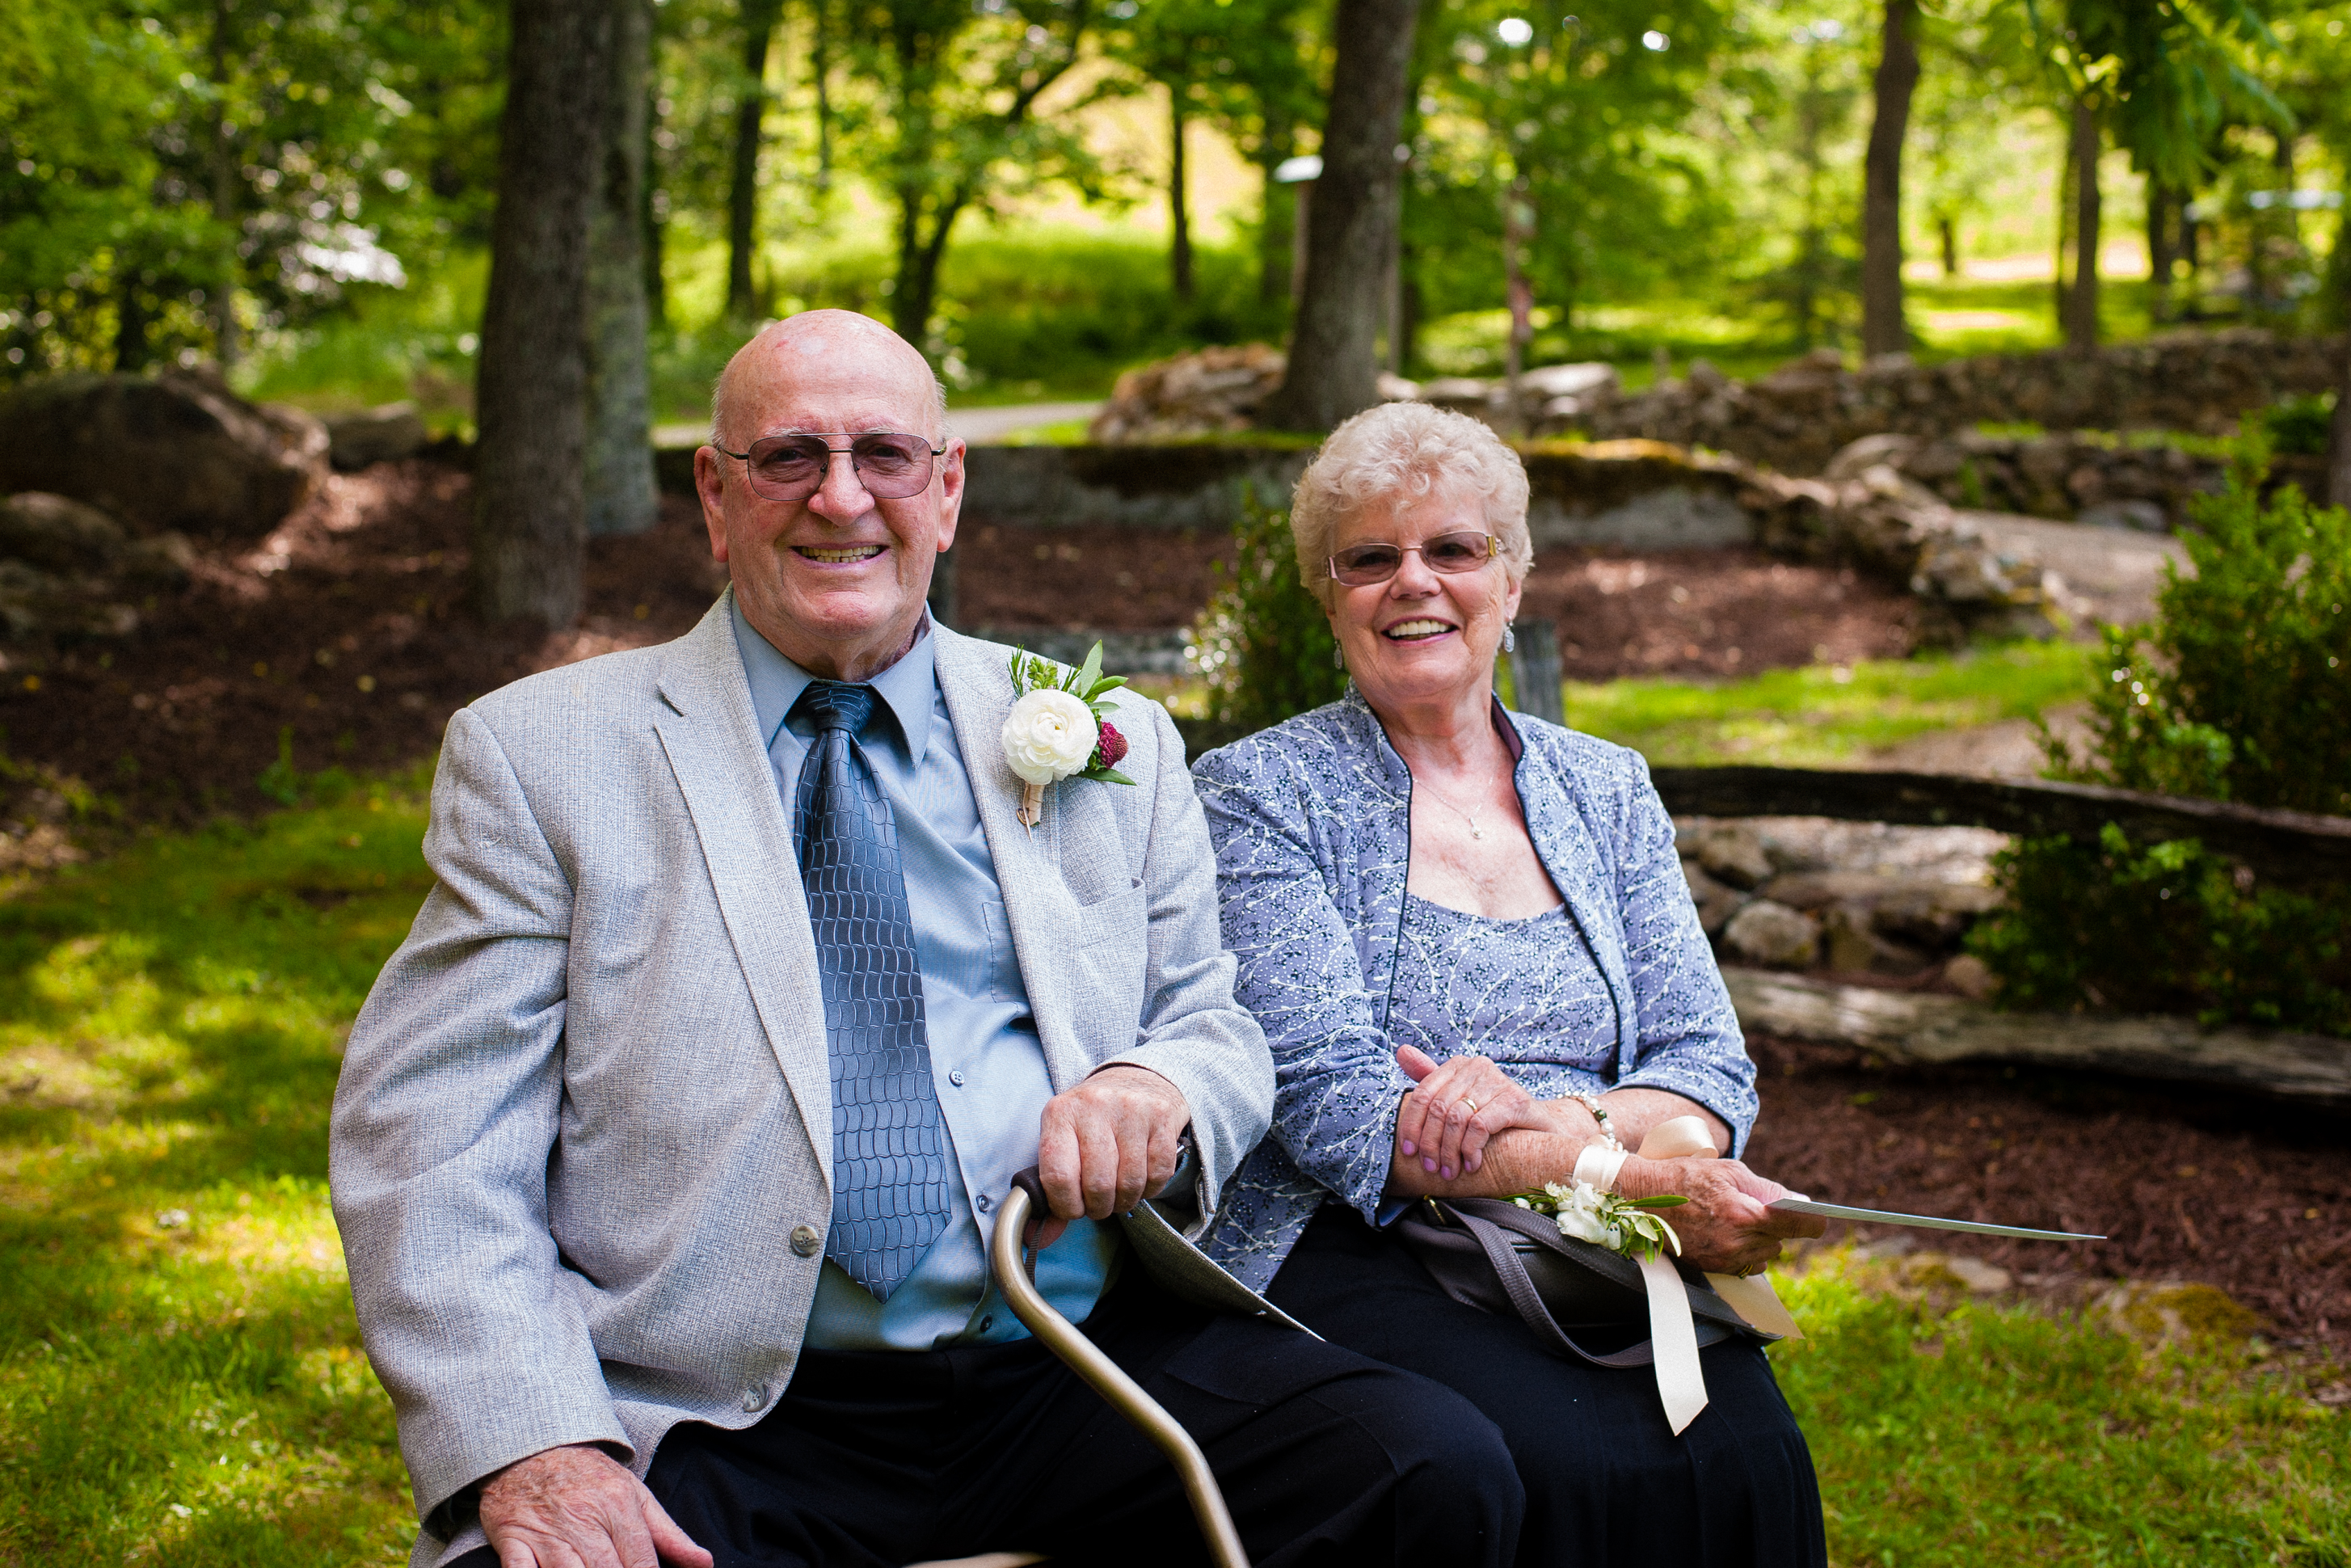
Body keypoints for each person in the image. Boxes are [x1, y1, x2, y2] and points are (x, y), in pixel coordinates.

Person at [330, 312, 1524, 1568]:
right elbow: (432, 1140)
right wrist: (533, 1443)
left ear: (946, 491)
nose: (841, 498)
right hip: (717, 1409)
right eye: (790, 456)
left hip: (1071, 1369)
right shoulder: (545, 755)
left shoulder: (1104, 738)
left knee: (1425, 1470)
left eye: (885, 456)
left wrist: (1154, 1084)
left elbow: (1215, 1025)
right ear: (714, 494)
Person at [1194, 401, 1833, 1568]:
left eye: (1453, 549)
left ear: (1513, 581)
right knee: (1570, 1462)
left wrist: (1561, 1134)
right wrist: (1626, 1171)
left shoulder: (1607, 785)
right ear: (1328, 596)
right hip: (1364, 1238)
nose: (1414, 583)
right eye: (1371, 559)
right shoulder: (1256, 793)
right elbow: (1340, 1113)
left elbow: (1707, 1065)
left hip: (1589, 1228)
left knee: (1750, 1458)